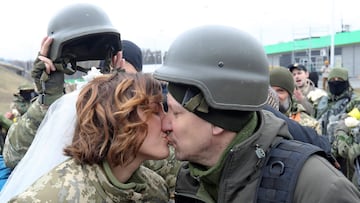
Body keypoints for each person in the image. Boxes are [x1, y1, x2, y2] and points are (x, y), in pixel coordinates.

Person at [153, 25, 360, 202]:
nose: (165, 125)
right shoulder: (192, 178)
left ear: (218, 121)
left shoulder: (316, 187)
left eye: (176, 113)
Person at [8, 71, 170, 202]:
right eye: (155, 111)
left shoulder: (155, 189)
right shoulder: (47, 197)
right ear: (119, 119)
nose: (168, 123)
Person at [2, 3, 122, 170]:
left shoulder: (133, 111)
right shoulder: (55, 109)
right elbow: (13, 157)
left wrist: (122, 97)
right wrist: (47, 101)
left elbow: (160, 166)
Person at [269, 67, 322, 134]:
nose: (274, 95)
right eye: (270, 91)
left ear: (290, 95)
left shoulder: (309, 126)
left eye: (280, 91)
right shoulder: (256, 120)